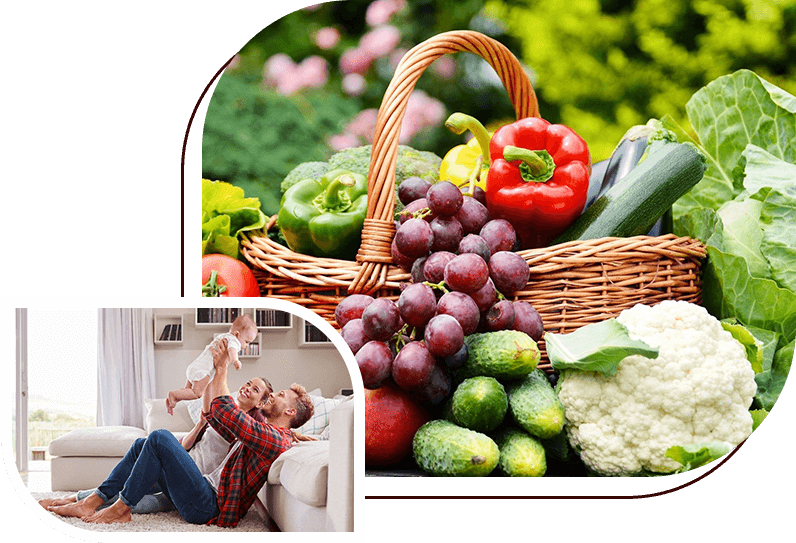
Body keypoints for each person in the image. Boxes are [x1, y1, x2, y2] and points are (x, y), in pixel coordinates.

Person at [46, 339, 315, 527]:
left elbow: (230, 417)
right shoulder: (272, 434)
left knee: (160, 437)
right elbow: (217, 417)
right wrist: (212, 373)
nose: (274, 397)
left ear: (290, 413)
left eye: (280, 396)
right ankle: (94, 500)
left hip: (209, 507)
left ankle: (120, 509)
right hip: (201, 489)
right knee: (144, 443)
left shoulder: (275, 438)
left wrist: (222, 369)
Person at [39, 376, 274, 513]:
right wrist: (201, 424)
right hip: (181, 470)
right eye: (247, 383)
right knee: (139, 460)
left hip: (194, 485)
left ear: (261, 402)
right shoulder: (224, 412)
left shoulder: (249, 426)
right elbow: (185, 448)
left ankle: (88, 502)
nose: (247, 388)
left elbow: (269, 433)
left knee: (141, 499)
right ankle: (79, 499)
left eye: (255, 390)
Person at [166, 314, 258, 415]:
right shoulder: (233, 341)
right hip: (203, 371)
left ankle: (174, 399)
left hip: (195, 366)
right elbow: (232, 350)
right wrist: (236, 361)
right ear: (237, 334)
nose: (246, 346)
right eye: (247, 341)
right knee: (197, 393)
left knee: (187, 391)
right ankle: (174, 395)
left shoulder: (222, 336)